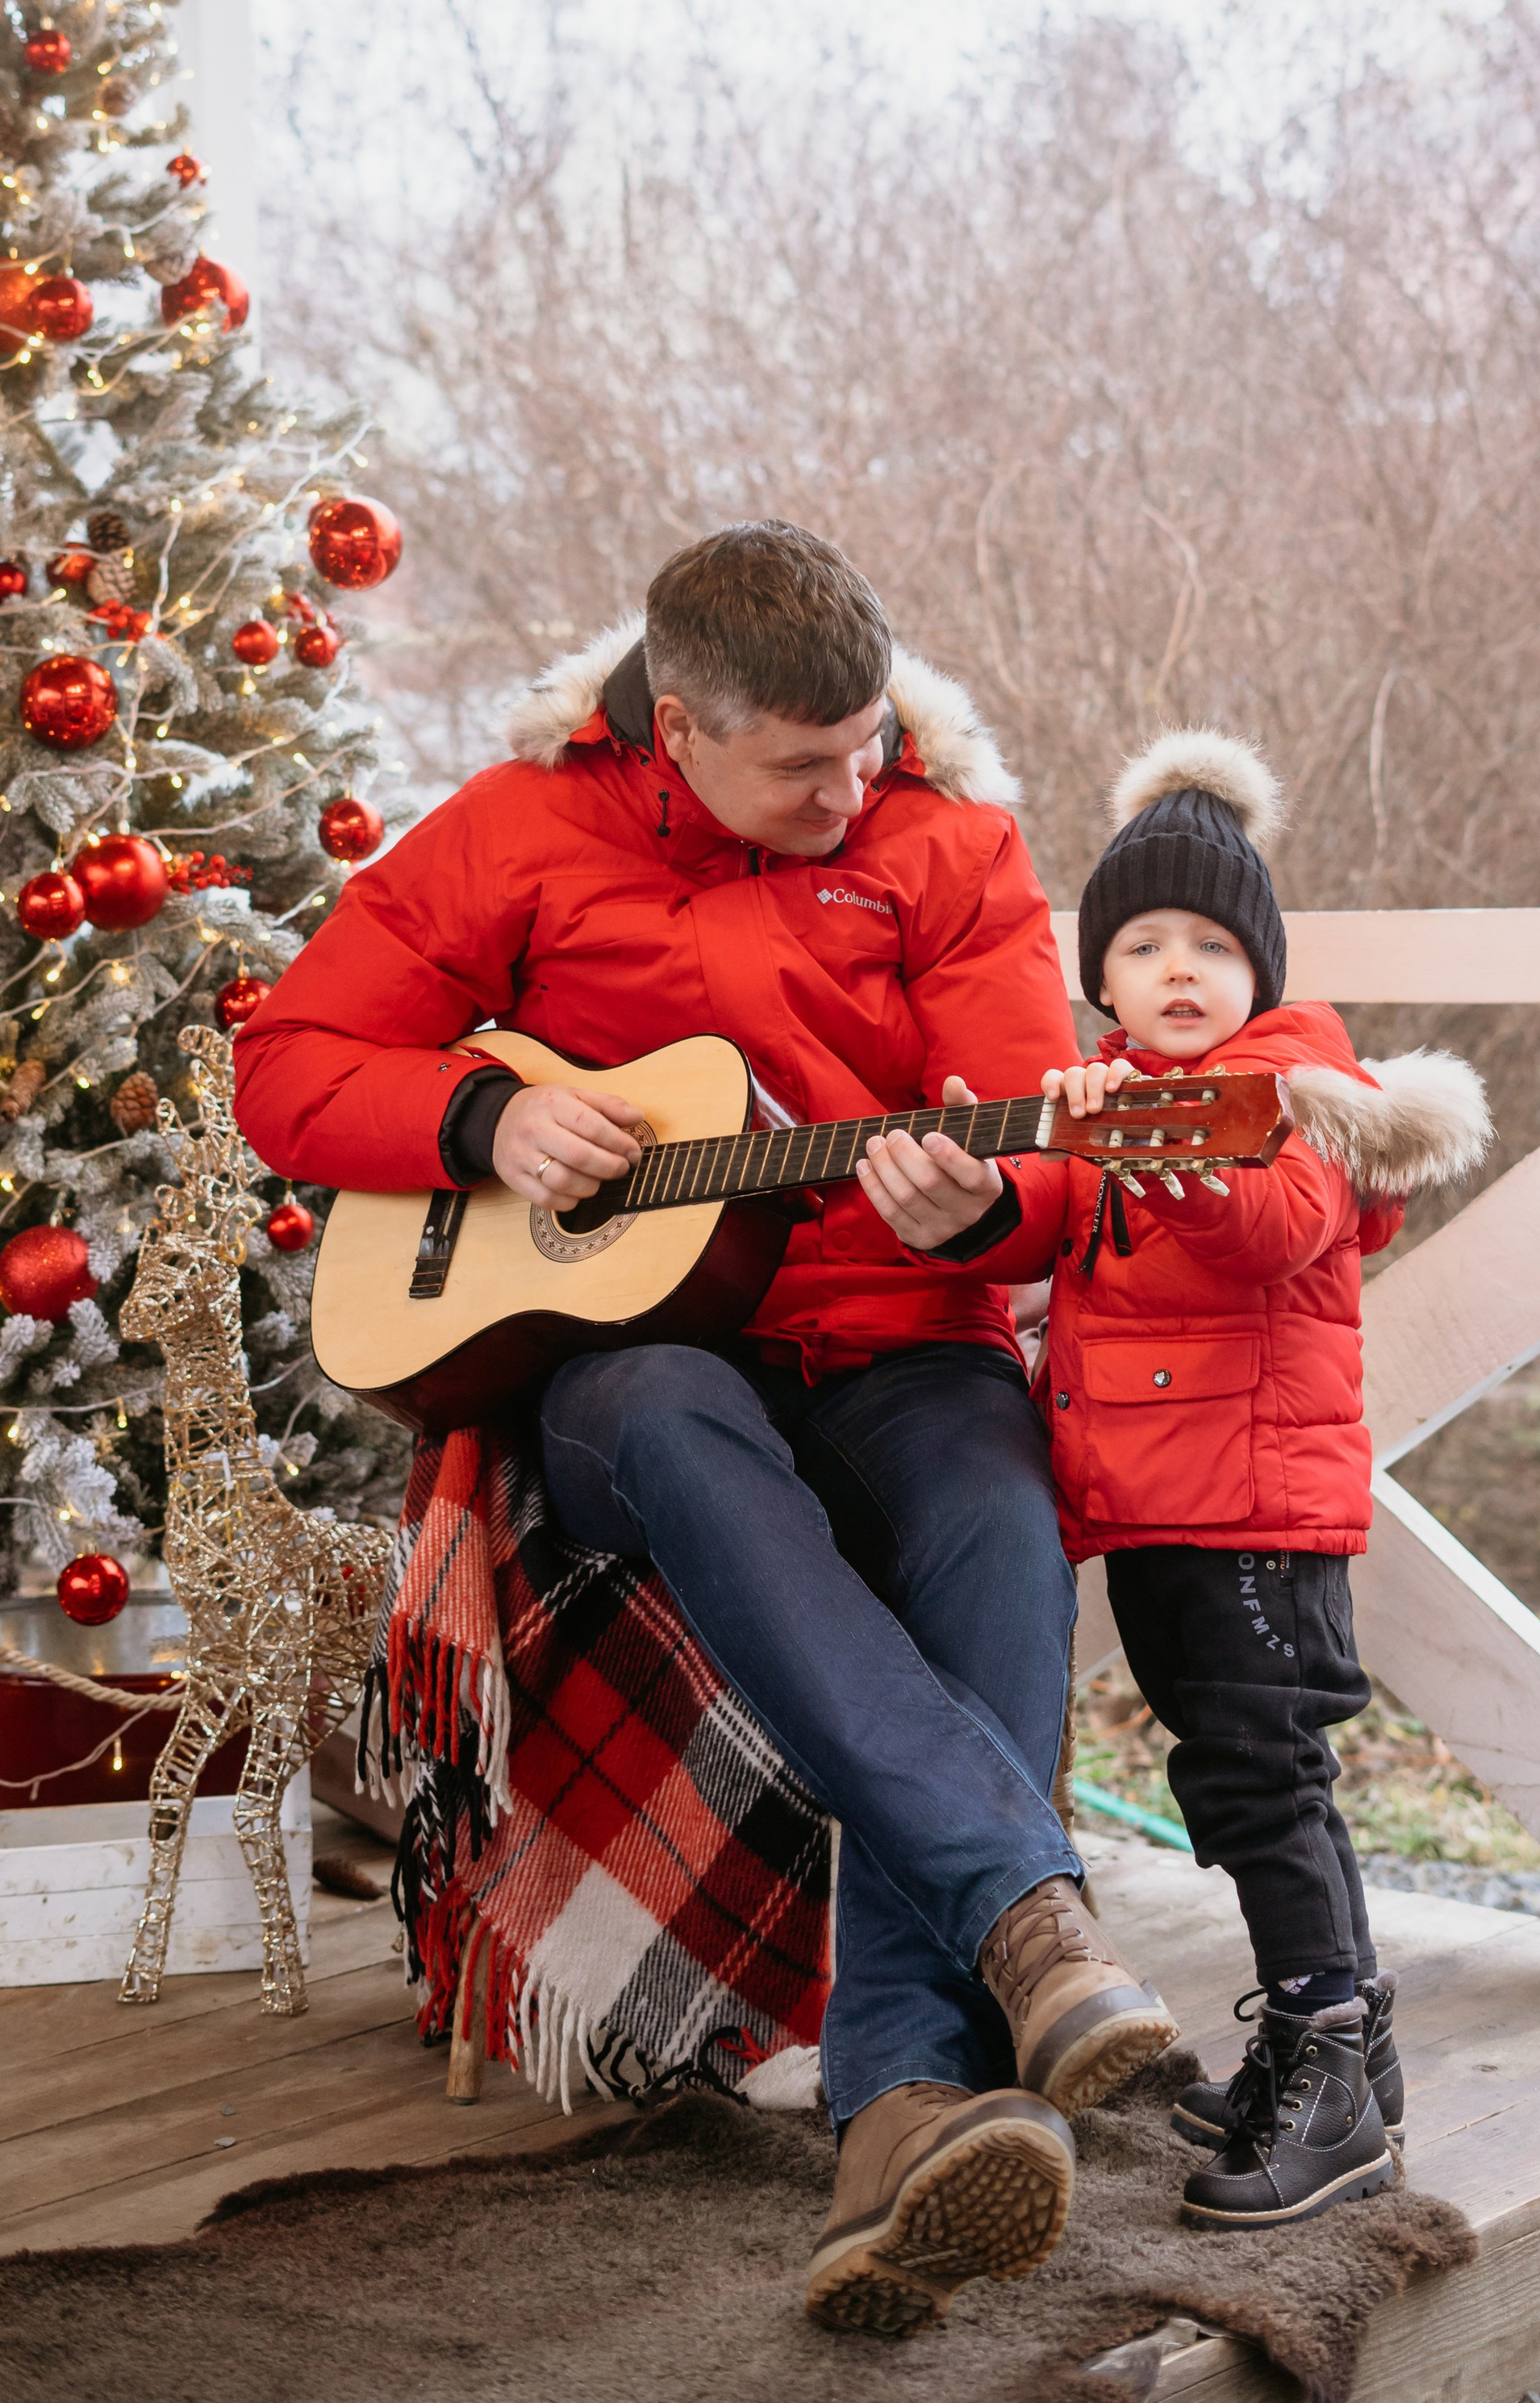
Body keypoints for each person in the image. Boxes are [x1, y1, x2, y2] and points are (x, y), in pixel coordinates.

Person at [234, 522, 1178, 2334]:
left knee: (996, 1526)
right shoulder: (520, 830)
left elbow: (1046, 1160)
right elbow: (284, 1062)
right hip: (634, 1367)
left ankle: (895, 2111)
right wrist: (480, 1124)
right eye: (801, 768)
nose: (850, 791)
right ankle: (1029, 1921)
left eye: (868, 746)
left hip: (901, 1344)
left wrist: (981, 1209)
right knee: (670, 1415)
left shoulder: (951, 846)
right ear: (676, 726)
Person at [858, 729, 1490, 2228]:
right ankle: (1347, 2045)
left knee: (1265, 1782)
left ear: (1262, 970)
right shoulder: (1120, 1096)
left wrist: (1154, 1153)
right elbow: (1049, 1227)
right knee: (1231, 1772)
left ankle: (1330, 2079)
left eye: (1214, 945)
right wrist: (974, 1207)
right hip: (1155, 1503)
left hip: (1254, 1506)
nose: (1180, 969)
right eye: (1144, 946)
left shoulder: (1294, 1092)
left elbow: (1271, 1229)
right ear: (1105, 978)